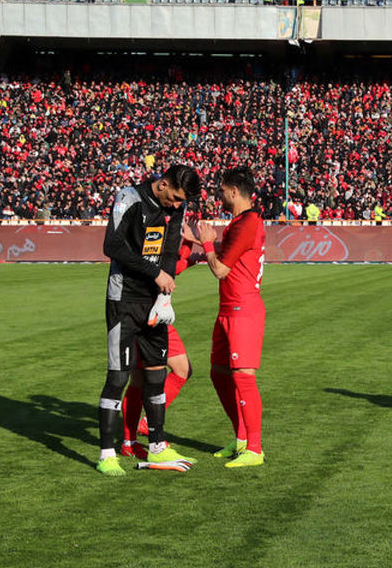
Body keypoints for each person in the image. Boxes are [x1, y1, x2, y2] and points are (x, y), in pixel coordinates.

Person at [95, 165, 201, 476]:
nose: (178, 204)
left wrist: (164, 296)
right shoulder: (129, 199)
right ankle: (107, 454)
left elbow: (168, 253)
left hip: (154, 303)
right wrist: (155, 273)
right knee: (119, 377)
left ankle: (158, 444)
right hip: (124, 300)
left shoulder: (176, 210)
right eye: (175, 197)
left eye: (183, 201)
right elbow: (111, 246)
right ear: (163, 184)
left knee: (156, 374)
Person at [195, 168, 268, 468]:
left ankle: (255, 448)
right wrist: (202, 243)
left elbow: (221, 269)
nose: (219, 195)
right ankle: (241, 438)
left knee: (243, 376)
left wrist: (208, 243)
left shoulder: (248, 222)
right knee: (219, 372)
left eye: (222, 190)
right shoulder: (240, 223)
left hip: (243, 308)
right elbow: (230, 256)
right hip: (229, 308)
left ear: (234, 191)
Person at [119, 219, 199, 460]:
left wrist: (187, 249)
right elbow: (168, 268)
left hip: (153, 315)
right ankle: (134, 437)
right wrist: (191, 248)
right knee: (143, 378)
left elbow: (172, 263)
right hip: (146, 316)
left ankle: (135, 435)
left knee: (150, 376)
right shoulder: (149, 240)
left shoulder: (155, 240)